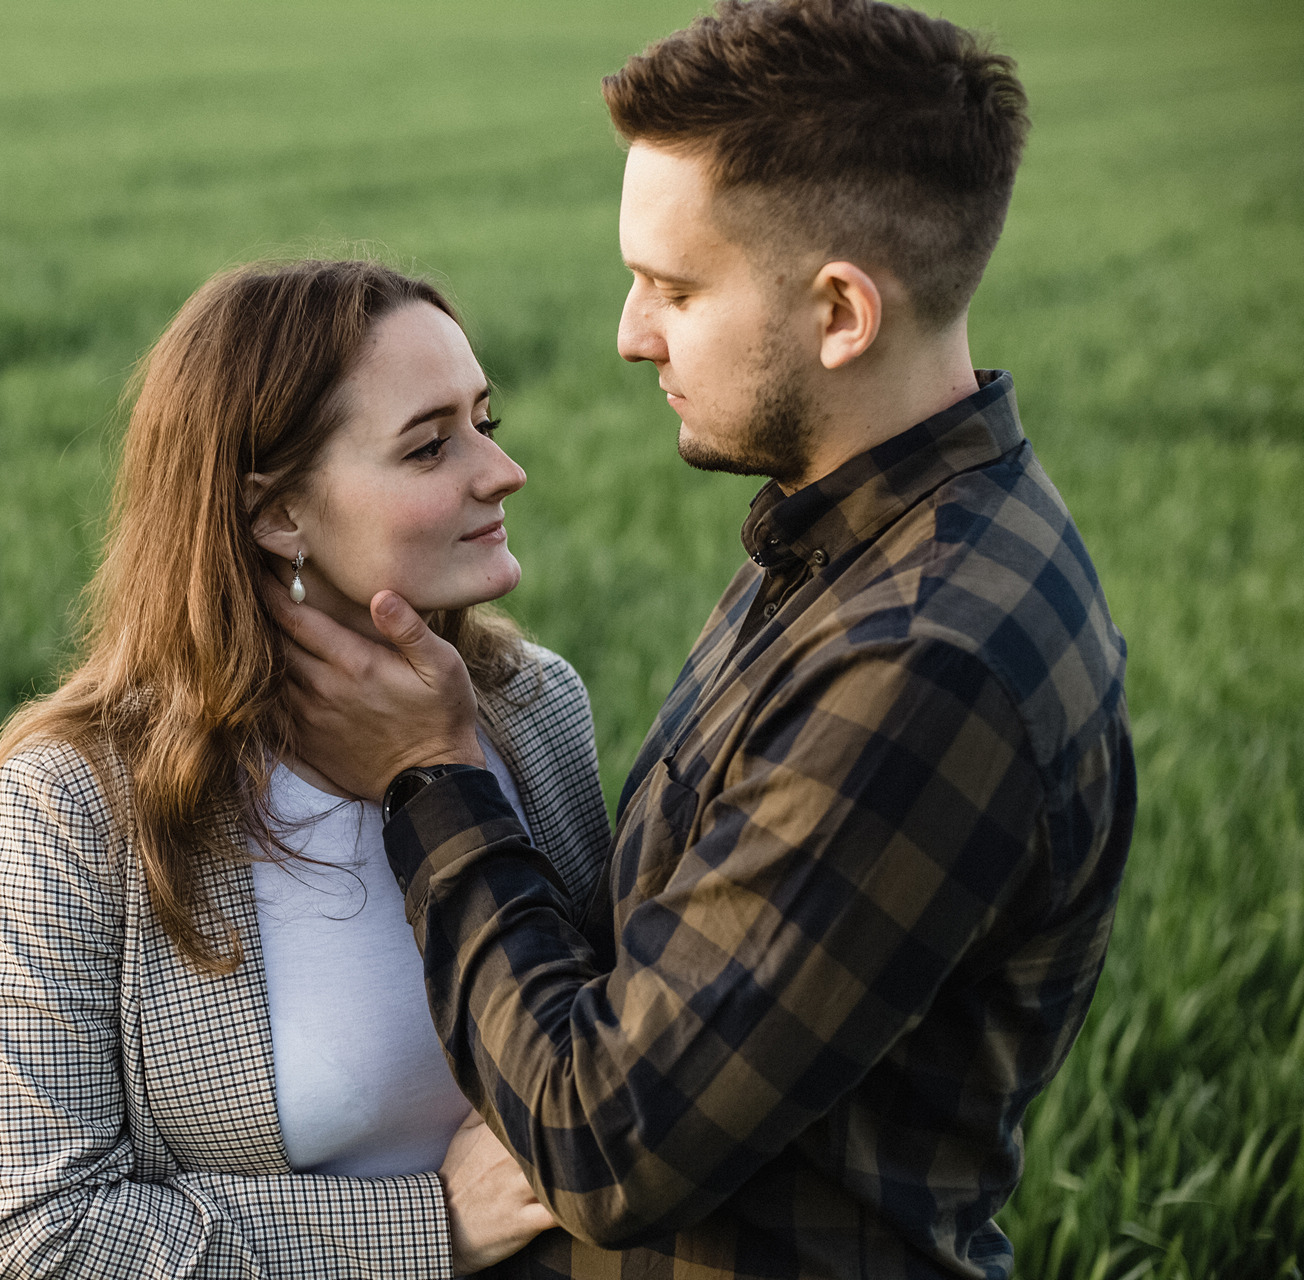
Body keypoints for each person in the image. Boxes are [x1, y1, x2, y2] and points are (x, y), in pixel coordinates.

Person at [273, 3, 1136, 1277]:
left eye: (674, 286)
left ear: (842, 313)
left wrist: (433, 775)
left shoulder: (923, 660)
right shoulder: (851, 542)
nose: (630, 332)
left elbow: (604, 1139)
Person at [0, 259, 615, 1277]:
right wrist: (428, 1227)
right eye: (431, 444)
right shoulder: (82, 799)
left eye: (488, 419)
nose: (500, 470)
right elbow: (38, 1232)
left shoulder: (532, 706)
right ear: (278, 516)